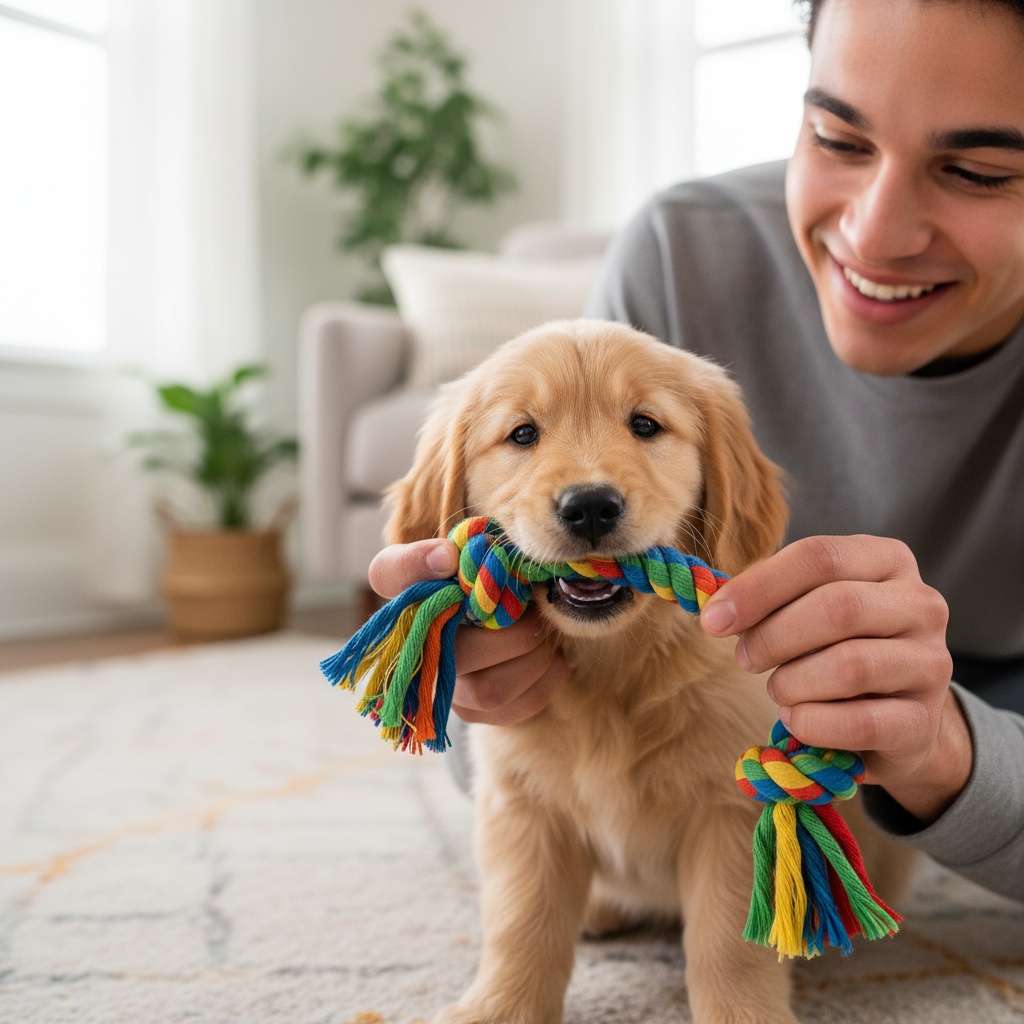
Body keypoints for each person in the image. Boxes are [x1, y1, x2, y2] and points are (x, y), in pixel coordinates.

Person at [367, 0, 1024, 902]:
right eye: (837, 135)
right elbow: (522, 755)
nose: (872, 235)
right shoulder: (684, 252)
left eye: (979, 171)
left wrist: (949, 752)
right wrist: (479, 674)